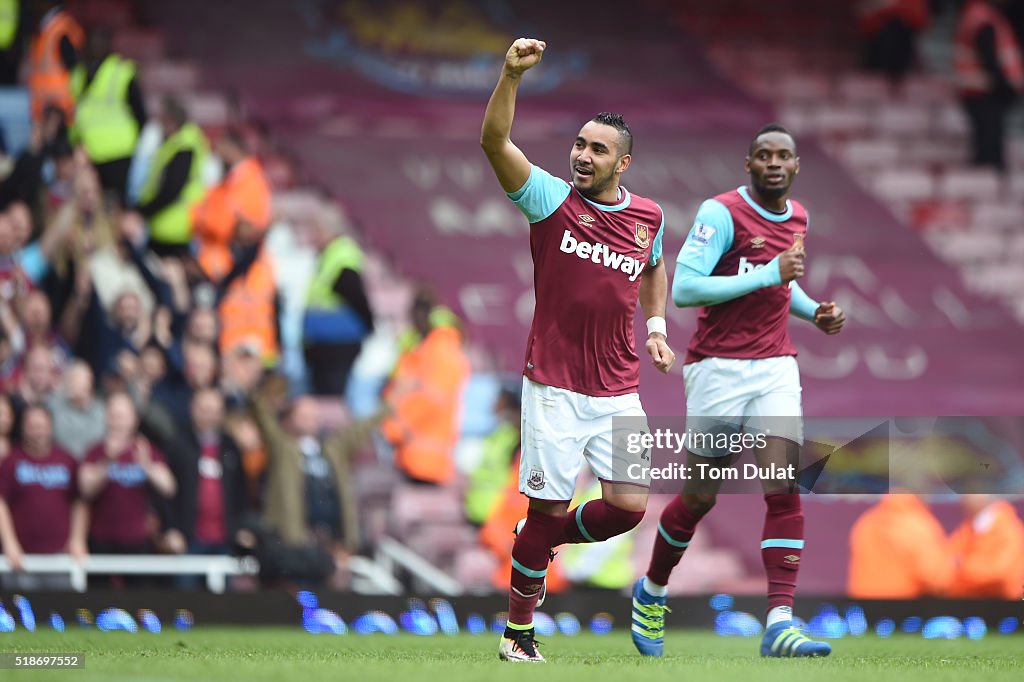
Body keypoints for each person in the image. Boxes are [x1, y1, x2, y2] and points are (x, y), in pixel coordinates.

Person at [480, 38, 674, 662]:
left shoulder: (648, 216)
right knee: (547, 507)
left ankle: (540, 537)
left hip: (619, 390)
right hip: (556, 387)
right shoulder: (550, 199)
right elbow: (494, 143)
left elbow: (652, 269)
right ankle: (518, 635)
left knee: (628, 508)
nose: (583, 156)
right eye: (579, 145)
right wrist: (510, 76)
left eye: (598, 149)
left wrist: (657, 329)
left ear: (624, 164)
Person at [631, 124, 845, 659]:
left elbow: (781, 282)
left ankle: (779, 621)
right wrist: (770, 272)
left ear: (796, 167)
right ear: (748, 164)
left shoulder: (798, 216)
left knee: (784, 487)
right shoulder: (720, 213)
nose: (774, 163)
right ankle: (652, 590)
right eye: (764, 156)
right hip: (718, 368)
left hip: (775, 366)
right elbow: (685, 288)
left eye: (784, 156)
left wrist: (812, 310)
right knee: (701, 495)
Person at [0, 404, 87, 588]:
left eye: (42, 427)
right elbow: (1, 502)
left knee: (61, 614)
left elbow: (79, 502)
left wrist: (77, 538)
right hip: (21, 558)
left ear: (50, 428)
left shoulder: (66, 459)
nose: (37, 432)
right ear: (23, 428)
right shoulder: (11, 461)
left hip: (60, 557)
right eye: (32, 427)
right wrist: (9, 543)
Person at [69, 25, 147, 203]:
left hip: (118, 153)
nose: (94, 46)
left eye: (99, 41)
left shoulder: (122, 72)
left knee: (114, 205)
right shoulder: (79, 74)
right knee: (88, 203)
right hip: (88, 154)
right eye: (90, 42)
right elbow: (76, 114)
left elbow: (141, 114)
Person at [955, 0, 1024, 171]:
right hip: (985, 92)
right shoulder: (983, 18)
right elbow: (990, 58)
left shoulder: (977, 15)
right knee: (989, 153)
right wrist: (1006, 88)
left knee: (987, 148)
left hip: (980, 92)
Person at [848, 493, 955, 598]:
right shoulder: (918, 524)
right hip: (905, 611)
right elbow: (938, 579)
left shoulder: (866, 522)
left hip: (864, 608)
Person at [948, 494, 1024, 599]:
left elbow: (999, 572)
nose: (964, 497)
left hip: (1000, 604)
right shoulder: (969, 527)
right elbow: (948, 559)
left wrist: (962, 566)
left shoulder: (1007, 529)